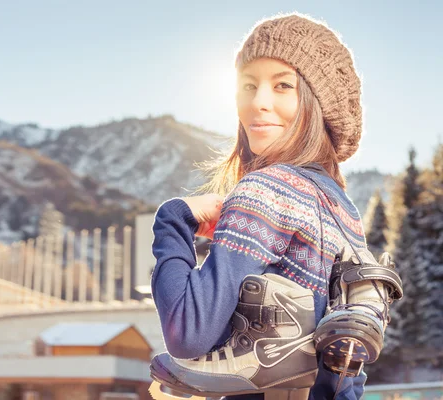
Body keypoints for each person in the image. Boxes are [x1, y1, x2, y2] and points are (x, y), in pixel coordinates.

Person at [150, 13, 376, 400]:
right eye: (248, 86)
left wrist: (174, 220)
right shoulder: (344, 210)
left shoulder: (267, 189)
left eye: (282, 85)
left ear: (317, 103)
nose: (258, 104)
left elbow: (187, 333)